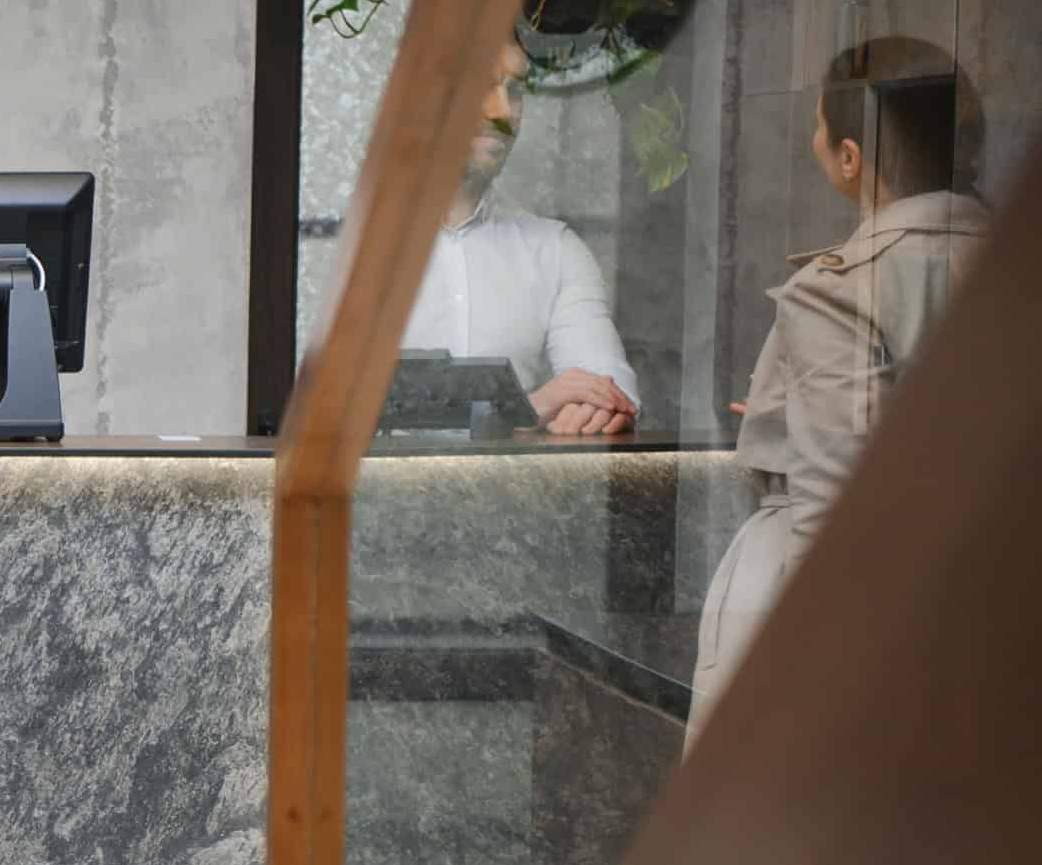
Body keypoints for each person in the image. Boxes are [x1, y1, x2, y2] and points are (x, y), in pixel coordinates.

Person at [687, 37, 987, 746]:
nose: (815, 145)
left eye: (820, 132)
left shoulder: (841, 290)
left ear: (849, 158)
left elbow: (835, 516)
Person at [402, 37, 641, 436]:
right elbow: (347, 418)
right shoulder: (360, 252)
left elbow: (610, 392)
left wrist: (601, 409)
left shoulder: (554, 250)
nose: (502, 112)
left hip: (521, 497)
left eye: (514, 91)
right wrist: (528, 409)